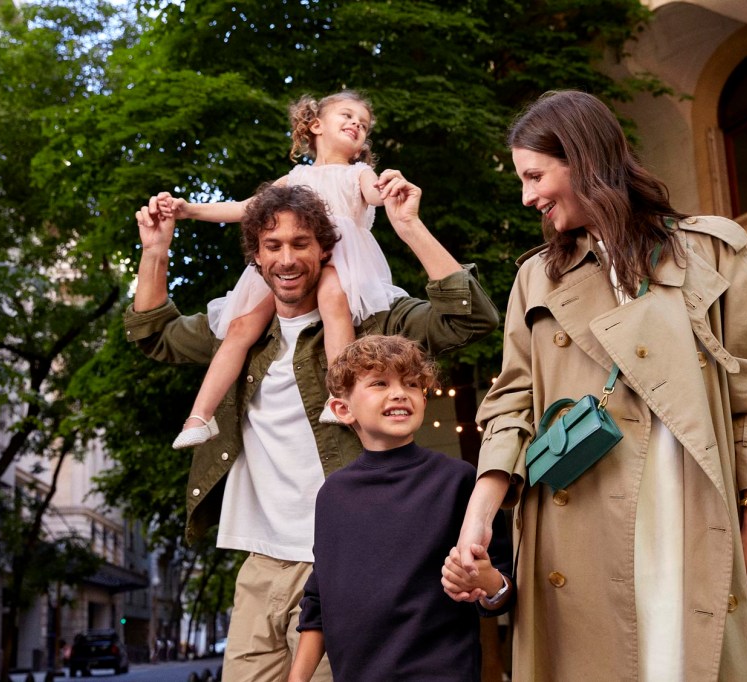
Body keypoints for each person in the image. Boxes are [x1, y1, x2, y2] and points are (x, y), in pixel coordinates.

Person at [447, 90, 747, 681]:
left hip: (695, 506)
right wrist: (480, 514)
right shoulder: (537, 277)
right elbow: (511, 404)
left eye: (535, 175)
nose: (527, 196)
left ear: (583, 159)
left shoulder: (710, 251)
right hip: (578, 520)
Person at [126, 178, 499, 681]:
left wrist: (408, 225)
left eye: (301, 243)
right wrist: (155, 251)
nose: (286, 259)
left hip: (343, 569)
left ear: (325, 247)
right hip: (260, 563)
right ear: (256, 256)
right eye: (273, 245)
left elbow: (469, 318)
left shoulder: (372, 323)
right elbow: (155, 334)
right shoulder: (241, 332)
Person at [163, 90, 409, 449]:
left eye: (363, 124)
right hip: (291, 258)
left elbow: (374, 195)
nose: (356, 124)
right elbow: (247, 208)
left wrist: (388, 183)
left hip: (337, 256)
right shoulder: (295, 176)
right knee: (241, 325)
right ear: (316, 125)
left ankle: (337, 395)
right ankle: (200, 416)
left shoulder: (359, 173)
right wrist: (191, 211)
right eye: (347, 115)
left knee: (333, 301)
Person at [288, 335, 514, 682]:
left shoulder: (458, 480)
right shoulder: (332, 494)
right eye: (380, 383)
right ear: (342, 409)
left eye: (411, 383)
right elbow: (318, 601)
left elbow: (504, 589)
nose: (399, 393)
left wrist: (485, 581)